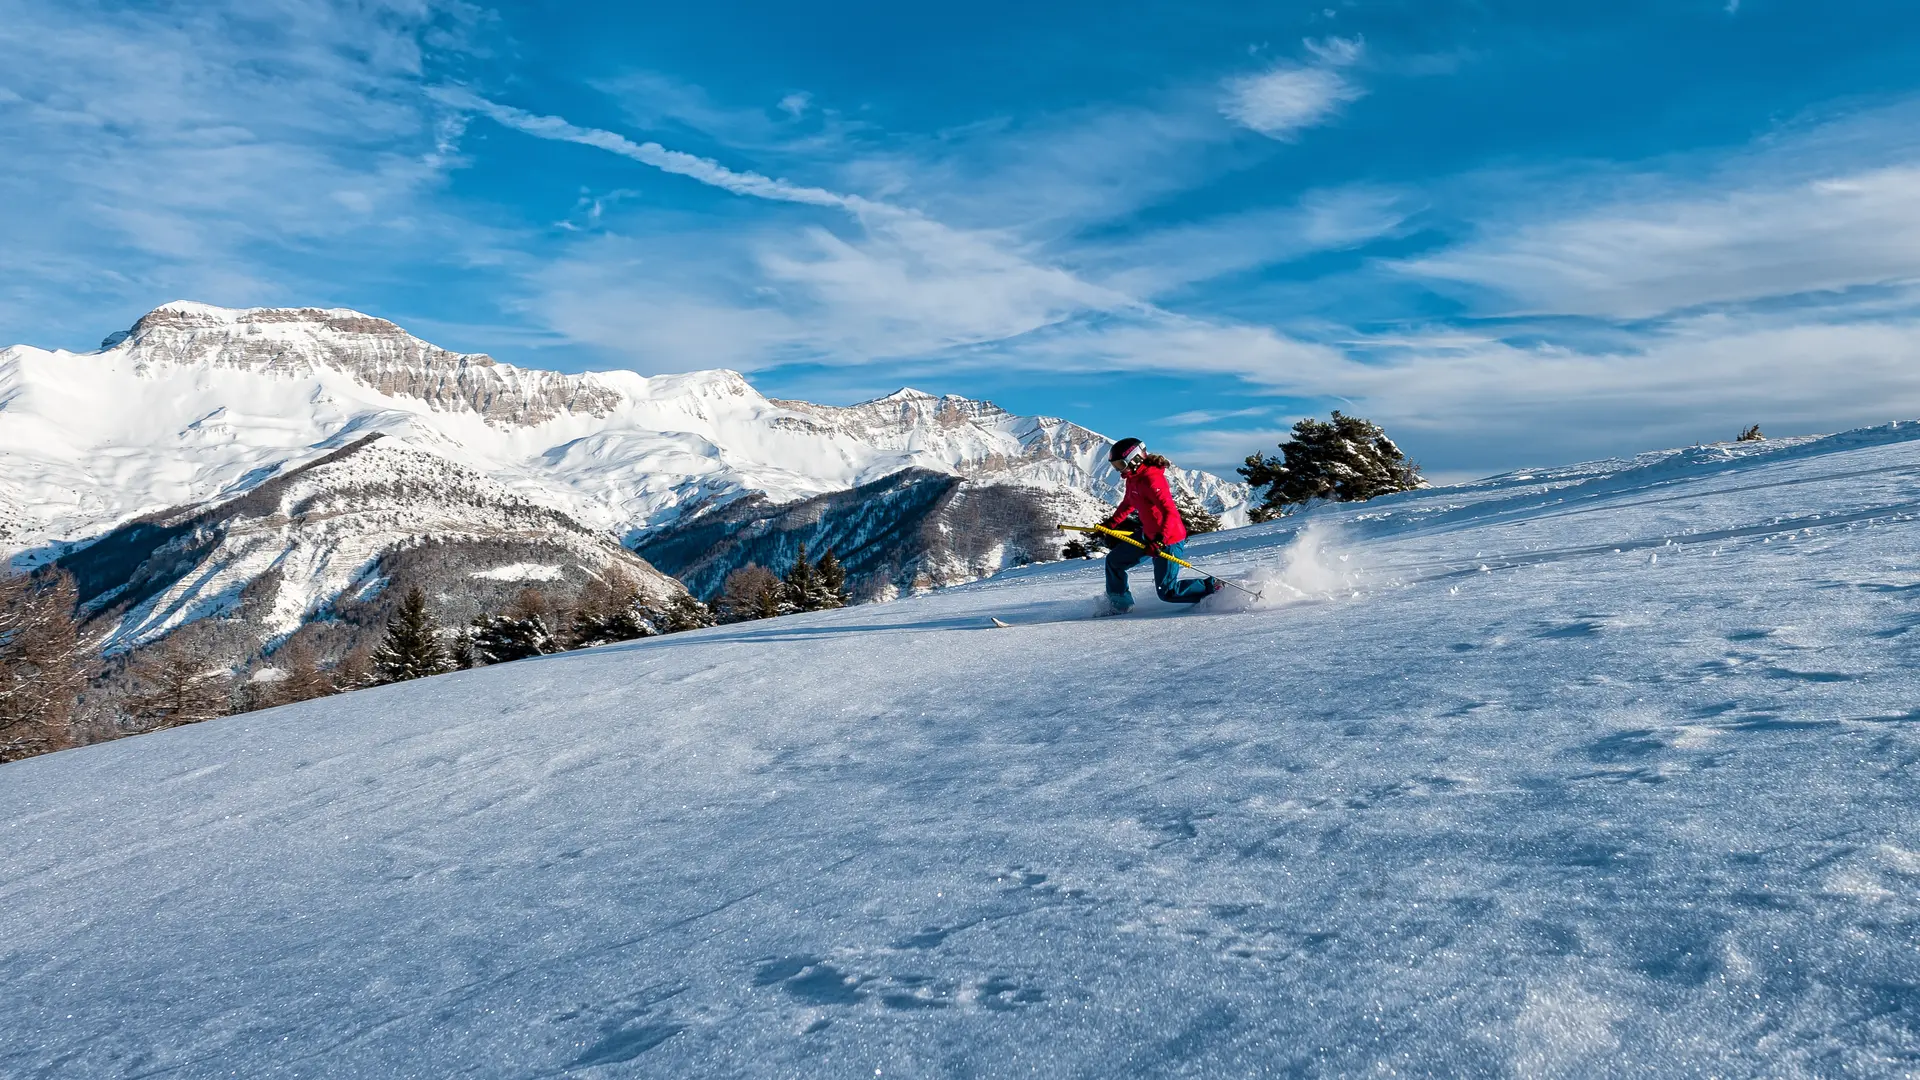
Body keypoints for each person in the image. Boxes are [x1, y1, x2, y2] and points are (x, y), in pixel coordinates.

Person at [1097, 438, 1221, 614]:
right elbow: (1129, 502)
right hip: (1148, 534)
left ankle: (1213, 587)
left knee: (1168, 592)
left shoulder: (1152, 480)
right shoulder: (1132, 478)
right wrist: (1112, 523)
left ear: (1135, 459)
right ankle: (1120, 605)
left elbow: (1169, 512)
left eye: (1120, 464)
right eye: (1115, 465)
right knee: (1114, 562)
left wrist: (1160, 540)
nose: (1118, 470)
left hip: (1168, 538)